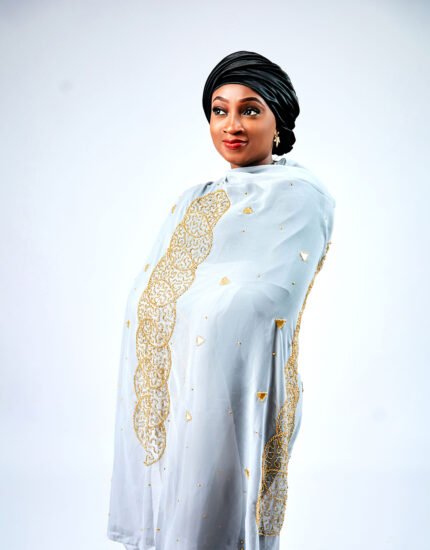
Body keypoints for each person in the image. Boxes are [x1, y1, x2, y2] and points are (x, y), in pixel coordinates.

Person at [107, 50, 336, 550]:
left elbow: (266, 300)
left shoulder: (300, 196)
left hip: (240, 387)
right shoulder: (195, 198)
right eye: (219, 110)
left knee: (220, 519)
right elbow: (154, 291)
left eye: (250, 110)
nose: (231, 125)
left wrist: (197, 308)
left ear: (278, 121)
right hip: (178, 382)